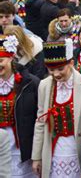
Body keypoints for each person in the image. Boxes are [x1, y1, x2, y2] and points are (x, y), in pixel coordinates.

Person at [32, 39, 81, 178]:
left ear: (71, 63)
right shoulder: (44, 85)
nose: (56, 74)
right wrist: (37, 156)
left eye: (61, 69)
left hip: (79, 150)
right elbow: (40, 122)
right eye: (51, 70)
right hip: (54, 151)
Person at [0, 34, 39, 177]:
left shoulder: (30, 83)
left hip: (22, 147)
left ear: (11, 58)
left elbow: (39, 118)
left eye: (1, 60)